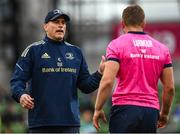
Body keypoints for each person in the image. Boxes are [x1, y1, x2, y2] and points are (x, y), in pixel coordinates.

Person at [10, 9, 105, 133]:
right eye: (56, 22)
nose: (61, 25)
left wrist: (99, 73)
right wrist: (21, 95)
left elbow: (85, 85)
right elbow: (17, 80)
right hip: (41, 124)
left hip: (70, 123)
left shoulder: (76, 52)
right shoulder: (33, 50)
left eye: (63, 23)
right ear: (45, 26)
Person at [93, 5, 175, 133]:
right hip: (150, 111)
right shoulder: (162, 49)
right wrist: (164, 114)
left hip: (124, 109)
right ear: (144, 23)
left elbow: (107, 81)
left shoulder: (116, 45)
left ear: (123, 23)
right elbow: (169, 88)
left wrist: (98, 108)